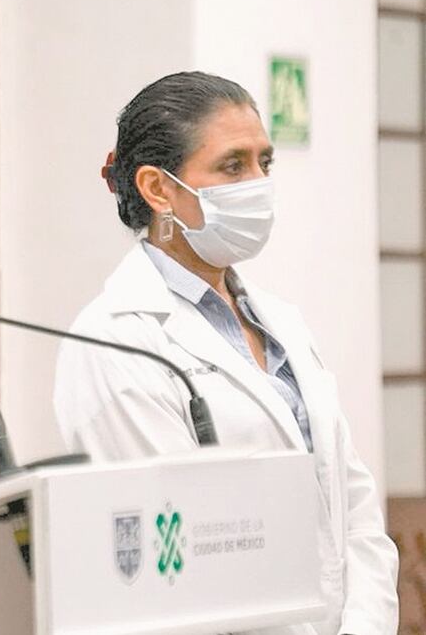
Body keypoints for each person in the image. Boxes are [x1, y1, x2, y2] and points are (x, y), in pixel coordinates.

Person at [53, 71, 398, 634]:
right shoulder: (116, 340)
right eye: (233, 166)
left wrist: (365, 625)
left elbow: (353, 504)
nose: (258, 184)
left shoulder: (281, 321)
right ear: (158, 189)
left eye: (265, 162)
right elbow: (182, 555)